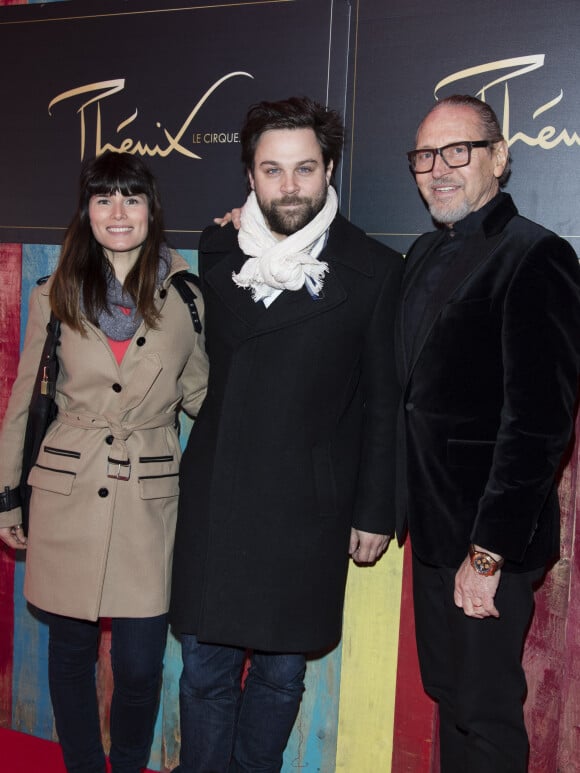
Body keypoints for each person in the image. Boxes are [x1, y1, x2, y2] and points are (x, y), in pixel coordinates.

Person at [169, 96, 403, 772]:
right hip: (219, 494)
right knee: (204, 669)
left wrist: (374, 509)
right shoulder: (219, 248)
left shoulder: (374, 270)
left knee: (280, 676)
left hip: (307, 507)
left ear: (329, 169)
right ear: (250, 176)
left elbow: (384, 403)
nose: (289, 186)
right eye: (272, 170)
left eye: (305, 168)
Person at [0, 151, 208, 773]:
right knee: (69, 652)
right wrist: (7, 492)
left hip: (148, 495)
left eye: (132, 198)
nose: (118, 212)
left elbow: (200, 392)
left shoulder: (186, 296)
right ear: (87, 210)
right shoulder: (53, 291)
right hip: (67, 487)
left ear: (151, 210)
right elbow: (22, 399)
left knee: (141, 663)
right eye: (103, 199)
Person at [397, 94, 580, 772]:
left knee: (487, 714)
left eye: (458, 151)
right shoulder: (421, 253)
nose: (438, 168)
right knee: (449, 697)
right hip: (435, 532)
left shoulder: (538, 255)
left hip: (487, 541)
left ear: (498, 158)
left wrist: (488, 554)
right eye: (425, 155)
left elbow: (539, 423)